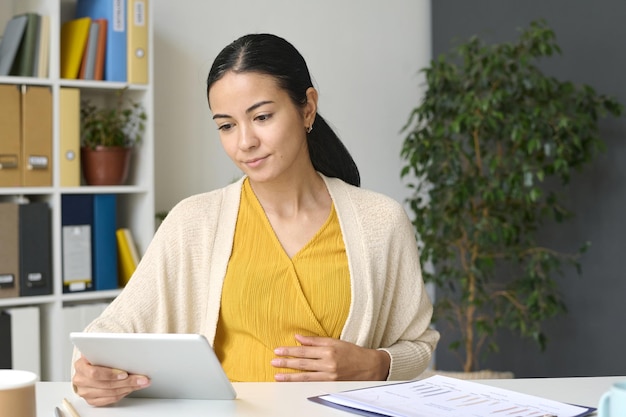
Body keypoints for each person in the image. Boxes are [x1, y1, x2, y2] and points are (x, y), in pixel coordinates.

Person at [72, 33, 439, 406]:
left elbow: (419, 344)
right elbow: (111, 331)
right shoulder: (193, 223)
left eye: (262, 117)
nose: (244, 141)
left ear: (307, 108)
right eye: (226, 126)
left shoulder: (380, 221)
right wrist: (90, 371)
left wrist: (375, 364)